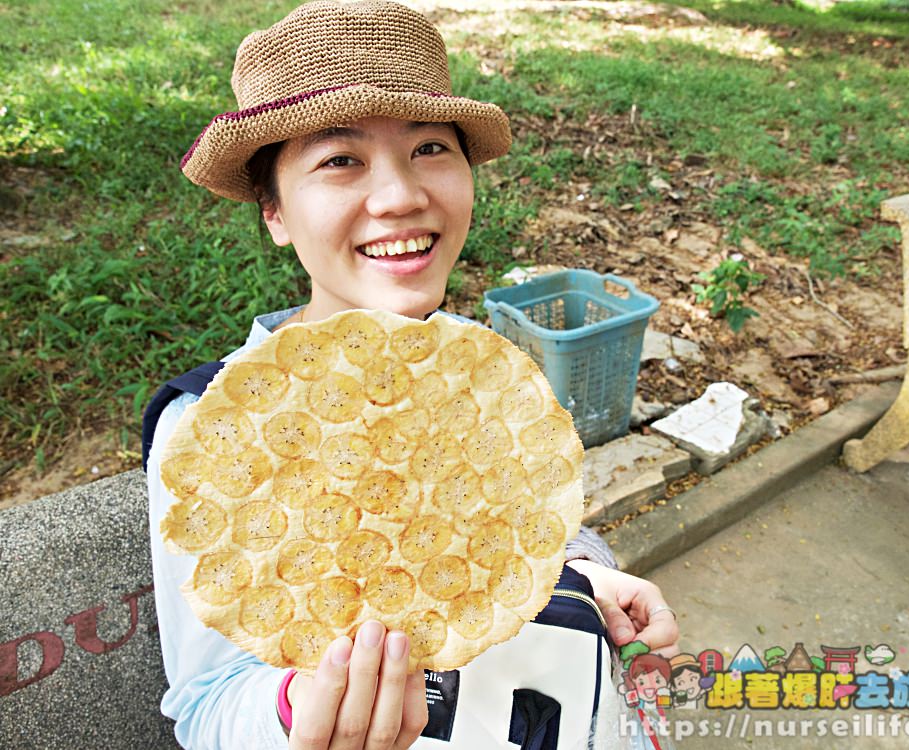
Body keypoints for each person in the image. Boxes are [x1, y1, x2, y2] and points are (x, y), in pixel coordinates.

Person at [147, 2, 680, 748]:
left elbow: (532, 529)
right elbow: (206, 704)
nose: (401, 196)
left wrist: (584, 578)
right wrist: (296, 710)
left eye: (430, 147)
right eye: (340, 160)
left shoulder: (486, 371)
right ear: (272, 210)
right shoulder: (208, 429)